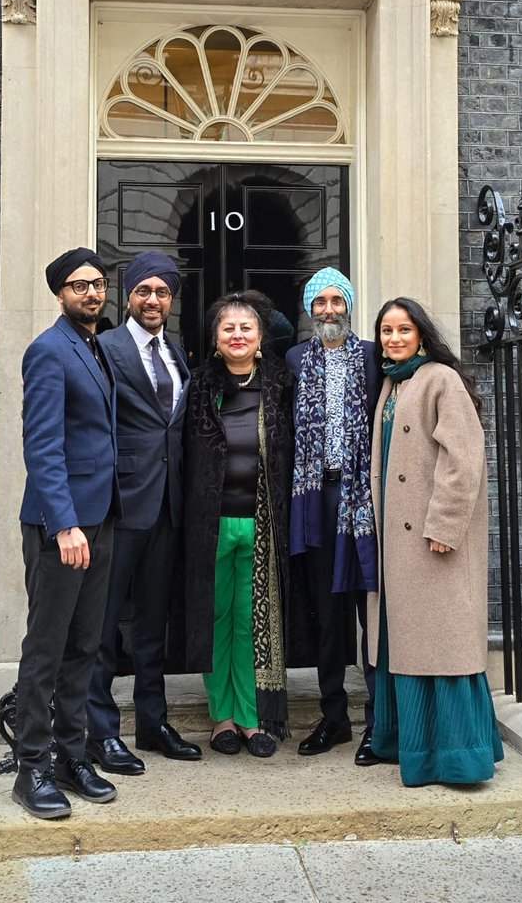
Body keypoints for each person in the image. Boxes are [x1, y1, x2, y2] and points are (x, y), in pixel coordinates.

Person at [367, 297, 504, 787]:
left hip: (432, 542)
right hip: (400, 544)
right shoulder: (392, 382)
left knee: (440, 647)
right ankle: (411, 746)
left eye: (404, 330)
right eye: (386, 330)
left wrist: (445, 526)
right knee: (406, 645)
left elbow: (464, 459)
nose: (394, 338)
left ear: (422, 334)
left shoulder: (441, 380)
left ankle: (458, 757)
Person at [12, 248, 122, 819]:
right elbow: (43, 447)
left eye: (99, 284)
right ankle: (31, 766)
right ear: (60, 293)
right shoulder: (49, 351)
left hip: (99, 520)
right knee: (47, 650)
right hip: (64, 528)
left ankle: (69, 754)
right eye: (80, 286)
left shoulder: (94, 348)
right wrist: (65, 525)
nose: (92, 293)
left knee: (85, 646)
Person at [85, 251, 201, 774]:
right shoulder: (104, 348)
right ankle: (102, 733)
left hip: (167, 506)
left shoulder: (177, 353)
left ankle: (153, 724)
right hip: (118, 505)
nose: (153, 300)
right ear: (127, 295)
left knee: (153, 624)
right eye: (143, 291)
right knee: (104, 625)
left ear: (171, 300)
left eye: (162, 292)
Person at [182, 291, 296, 758]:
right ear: (215, 339)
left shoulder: (281, 384)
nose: (237, 335)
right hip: (210, 522)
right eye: (228, 328)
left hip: (263, 522)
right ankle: (221, 718)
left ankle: (251, 719)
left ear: (261, 337)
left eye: (246, 328)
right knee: (217, 618)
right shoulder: (198, 386)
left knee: (253, 622)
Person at [287, 267, 381, 765]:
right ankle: (334, 718)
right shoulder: (295, 358)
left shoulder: (373, 356)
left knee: (371, 614)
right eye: (319, 301)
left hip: (364, 500)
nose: (328, 309)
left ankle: (378, 720)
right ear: (308, 309)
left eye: (336, 300)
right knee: (326, 615)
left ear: (349, 305)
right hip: (314, 497)